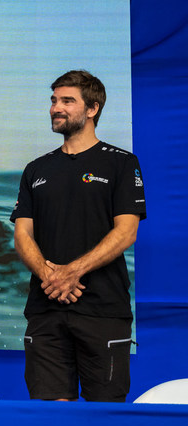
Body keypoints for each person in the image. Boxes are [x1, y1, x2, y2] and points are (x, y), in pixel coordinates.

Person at [11, 70, 146, 402]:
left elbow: (127, 231)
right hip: (45, 309)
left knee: (105, 414)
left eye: (67, 101)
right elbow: (22, 234)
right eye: (54, 100)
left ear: (92, 109)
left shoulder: (123, 164)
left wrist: (71, 272)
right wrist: (50, 276)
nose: (56, 107)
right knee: (50, 414)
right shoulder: (36, 169)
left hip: (103, 309)